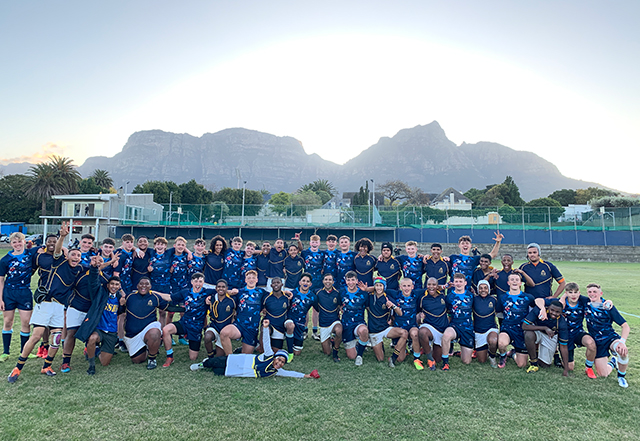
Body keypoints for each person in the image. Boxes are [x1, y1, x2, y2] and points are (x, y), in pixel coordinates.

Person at [8, 222, 82, 383]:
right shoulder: (58, 260)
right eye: (73, 255)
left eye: (78, 256)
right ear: (66, 255)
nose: (75, 258)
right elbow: (56, 251)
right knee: (36, 336)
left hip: (60, 306)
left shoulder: (78, 268)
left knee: (56, 340)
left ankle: (47, 366)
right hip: (46, 303)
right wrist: (62, 237)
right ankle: (17, 368)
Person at [191, 319, 319, 379]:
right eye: (279, 360)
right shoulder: (268, 355)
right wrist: (264, 327)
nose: (279, 363)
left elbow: (291, 374)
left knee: (217, 371)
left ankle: (209, 365)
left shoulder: (275, 372)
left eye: (282, 363)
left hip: (238, 372)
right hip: (239, 361)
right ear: (274, 357)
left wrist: (307, 375)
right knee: (216, 362)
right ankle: (202, 364)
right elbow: (267, 342)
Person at [59, 254, 111, 373]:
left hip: (92, 312)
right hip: (76, 308)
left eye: (100, 262)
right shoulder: (80, 275)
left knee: (92, 334)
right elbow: (67, 287)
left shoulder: (106, 278)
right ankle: (65, 362)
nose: (98, 263)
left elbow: (116, 289)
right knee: (71, 333)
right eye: (95, 261)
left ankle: (91, 350)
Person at [74, 256, 124, 375]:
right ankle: (91, 365)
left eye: (116, 284)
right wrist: (94, 267)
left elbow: (121, 312)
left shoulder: (119, 298)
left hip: (111, 332)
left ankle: (96, 351)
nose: (114, 286)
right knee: (92, 339)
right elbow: (93, 280)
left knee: (105, 362)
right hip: (99, 329)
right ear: (107, 285)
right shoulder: (100, 293)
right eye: (111, 284)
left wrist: (123, 304)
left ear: (119, 287)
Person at [0, 232, 39, 363]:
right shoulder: (5, 260)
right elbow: (1, 281)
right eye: (14, 242)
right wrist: (0, 299)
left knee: (26, 323)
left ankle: (25, 351)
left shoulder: (30, 254)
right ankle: (6, 352)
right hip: (9, 293)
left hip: (25, 293)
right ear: (11, 244)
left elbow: (49, 246)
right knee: (8, 322)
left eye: (19, 241)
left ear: (24, 242)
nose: (17, 244)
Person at [584, 283, 630, 388]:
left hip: (610, 338)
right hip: (597, 343)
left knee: (622, 351)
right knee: (603, 374)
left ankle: (621, 377)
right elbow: (571, 295)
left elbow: (625, 326)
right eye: (589, 292)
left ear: (601, 293)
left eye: (595, 292)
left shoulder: (608, 306)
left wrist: (622, 342)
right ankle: (613, 362)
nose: (592, 294)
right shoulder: (585, 303)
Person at [162, 272, 212, 366]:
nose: (198, 284)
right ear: (191, 282)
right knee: (166, 330)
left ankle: (192, 342)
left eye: (200, 281)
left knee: (193, 358)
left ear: (203, 282)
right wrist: (153, 292)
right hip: (184, 323)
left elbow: (222, 291)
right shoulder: (185, 292)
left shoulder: (208, 292)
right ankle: (170, 356)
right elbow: (169, 297)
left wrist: (211, 297)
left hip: (196, 328)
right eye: (196, 281)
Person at [120, 276, 171, 369]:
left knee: (155, 333)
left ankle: (152, 359)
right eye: (141, 284)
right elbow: (119, 310)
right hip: (133, 334)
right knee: (137, 360)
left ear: (150, 286)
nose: (144, 286)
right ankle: (148, 348)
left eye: (147, 284)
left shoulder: (155, 297)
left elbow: (170, 307)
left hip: (149, 329)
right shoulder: (129, 297)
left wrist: (187, 306)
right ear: (137, 285)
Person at [496, 273, 543, 369]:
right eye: (512, 279)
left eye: (517, 280)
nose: (514, 281)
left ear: (520, 283)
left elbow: (535, 308)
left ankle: (513, 353)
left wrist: (542, 308)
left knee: (521, 364)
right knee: (501, 343)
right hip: (507, 328)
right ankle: (503, 356)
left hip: (522, 330)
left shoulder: (528, 297)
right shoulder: (502, 297)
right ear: (508, 283)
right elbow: (499, 313)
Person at [219, 270, 267, 355]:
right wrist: (229, 291)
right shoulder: (239, 292)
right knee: (224, 333)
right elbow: (223, 293)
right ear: (245, 280)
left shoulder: (261, 292)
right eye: (249, 278)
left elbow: (273, 295)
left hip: (252, 329)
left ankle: (246, 347)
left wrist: (285, 293)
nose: (251, 280)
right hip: (239, 325)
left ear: (257, 280)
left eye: (253, 278)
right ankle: (230, 358)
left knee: (245, 356)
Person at [557, 282, 598, 378]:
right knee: (570, 367)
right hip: (564, 335)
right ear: (566, 293)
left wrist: (608, 302)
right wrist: (562, 298)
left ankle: (589, 368)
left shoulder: (583, 301)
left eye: (575, 292)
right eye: (570, 292)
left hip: (578, 332)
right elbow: (540, 301)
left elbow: (597, 301)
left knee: (591, 344)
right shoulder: (561, 303)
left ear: (579, 293)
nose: (573, 295)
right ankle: (557, 357)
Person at [367, 277, 408, 367]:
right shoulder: (369, 297)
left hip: (385, 328)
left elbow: (400, 313)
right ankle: (379, 344)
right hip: (374, 331)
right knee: (380, 359)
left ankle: (393, 357)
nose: (378, 288)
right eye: (377, 285)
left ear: (384, 287)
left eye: (381, 286)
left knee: (404, 333)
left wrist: (393, 306)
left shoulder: (387, 298)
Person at [522, 300, 569, 376]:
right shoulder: (539, 310)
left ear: (561, 313)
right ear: (548, 307)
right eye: (552, 310)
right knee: (528, 334)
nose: (554, 313)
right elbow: (524, 326)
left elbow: (563, 346)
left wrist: (566, 369)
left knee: (545, 365)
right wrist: (544, 328)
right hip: (538, 331)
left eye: (557, 312)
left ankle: (538, 354)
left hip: (550, 336)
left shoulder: (561, 323)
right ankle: (533, 363)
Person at [441, 273, 475, 369]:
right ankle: (445, 362)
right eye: (456, 282)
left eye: (460, 281)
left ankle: (461, 350)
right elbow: (447, 311)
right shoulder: (449, 297)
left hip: (468, 328)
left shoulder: (471, 296)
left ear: (465, 283)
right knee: (447, 335)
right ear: (453, 283)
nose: (458, 284)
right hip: (455, 325)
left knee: (466, 361)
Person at [389, 278, 422, 369]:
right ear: (400, 287)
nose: (406, 288)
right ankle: (403, 351)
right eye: (404, 286)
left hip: (412, 326)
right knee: (400, 359)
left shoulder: (416, 294)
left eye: (408, 286)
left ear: (412, 287)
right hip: (400, 329)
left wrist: (444, 286)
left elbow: (432, 288)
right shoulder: (395, 294)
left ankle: (417, 359)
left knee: (414, 334)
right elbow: (379, 289)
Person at [417, 277, 448, 370]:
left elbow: (450, 311)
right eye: (429, 284)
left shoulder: (443, 296)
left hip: (441, 329)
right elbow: (417, 312)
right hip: (429, 327)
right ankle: (430, 359)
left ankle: (431, 350)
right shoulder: (423, 298)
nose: (431, 287)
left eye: (434, 284)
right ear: (426, 286)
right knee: (422, 332)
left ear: (437, 286)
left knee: (438, 359)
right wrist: (419, 315)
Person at [340, 271, 369, 366]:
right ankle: (357, 345)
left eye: (353, 280)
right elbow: (337, 306)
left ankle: (360, 356)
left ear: (356, 281)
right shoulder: (341, 292)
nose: (351, 282)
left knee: (364, 331)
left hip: (358, 323)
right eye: (348, 280)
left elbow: (368, 309)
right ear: (346, 281)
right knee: (351, 356)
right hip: (346, 325)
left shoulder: (363, 294)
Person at [284, 273, 316, 357]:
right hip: (289, 320)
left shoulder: (312, 297)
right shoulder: (292, 293)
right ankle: (289, 351)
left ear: (310, 284)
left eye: (308, 281)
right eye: (303, 281)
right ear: (299, 282)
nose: (305, 283)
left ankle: (292, 340)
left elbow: (319, 309)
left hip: (300, 324)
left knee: (297, 353)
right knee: (290, 326)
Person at [203, 279, 236, 358]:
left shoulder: (232, 300)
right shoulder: (212, 298)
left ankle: (218, 351)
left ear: (227, 288)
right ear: (216, 288)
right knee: (207, 337)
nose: (221, 288)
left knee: (219, 356)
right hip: (214, 326)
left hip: (225, 330)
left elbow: (236, 313)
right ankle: (210, 355)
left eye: (223, 287)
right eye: (219, 287)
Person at [314, 273, 342, 362]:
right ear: (323, 281)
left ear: (333, 282)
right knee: (326, 352)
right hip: (323, 324)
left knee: (339, 330)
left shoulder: (337, 293)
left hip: (334, 321)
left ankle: (335, 352)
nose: (328, 282)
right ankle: (332, 341)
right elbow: (316, 307)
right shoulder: (317, 292)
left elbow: (340, 306)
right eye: (326, 279)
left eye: (330, 280)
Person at [472, 280, 499, 367]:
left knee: (493, 340)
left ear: (489, 289)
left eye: (485, 288)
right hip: (479, 331)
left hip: (491, 329)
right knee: (482, 361)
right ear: (478, 289)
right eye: (481, 288)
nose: (483, 290)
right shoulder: (474, 299)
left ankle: (492, 356)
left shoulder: (494, 299)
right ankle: (487, 349)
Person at [262, 277, 290, 351]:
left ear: (282, 284)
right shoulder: (266, 297)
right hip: (269, 324)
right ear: (271, 285)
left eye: (278, 282)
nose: (276, 284)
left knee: (275, 351)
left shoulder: (287, 298)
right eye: (274, 283)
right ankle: (261, 347)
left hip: (279, 328)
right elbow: (260, 309)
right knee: (265, 330)